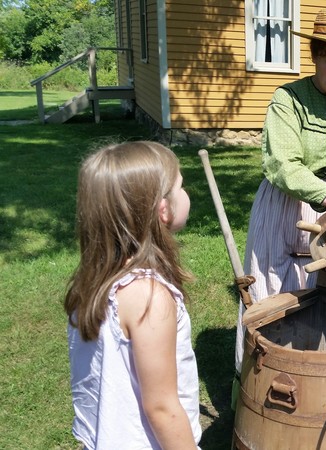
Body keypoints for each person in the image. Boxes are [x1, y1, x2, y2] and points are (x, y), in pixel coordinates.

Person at [235, 8, 326, 375]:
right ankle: (261, 380)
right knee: (276, 295)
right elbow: (282, 165)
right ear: (315, 55)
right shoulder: (287, 99)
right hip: (288, 207)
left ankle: (317, 379)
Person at [64, 141, 201, 449]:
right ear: (163, 209)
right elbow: (162, 408)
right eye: (181, 186)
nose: (185, 193)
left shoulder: (97, 279)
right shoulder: (148, 297)